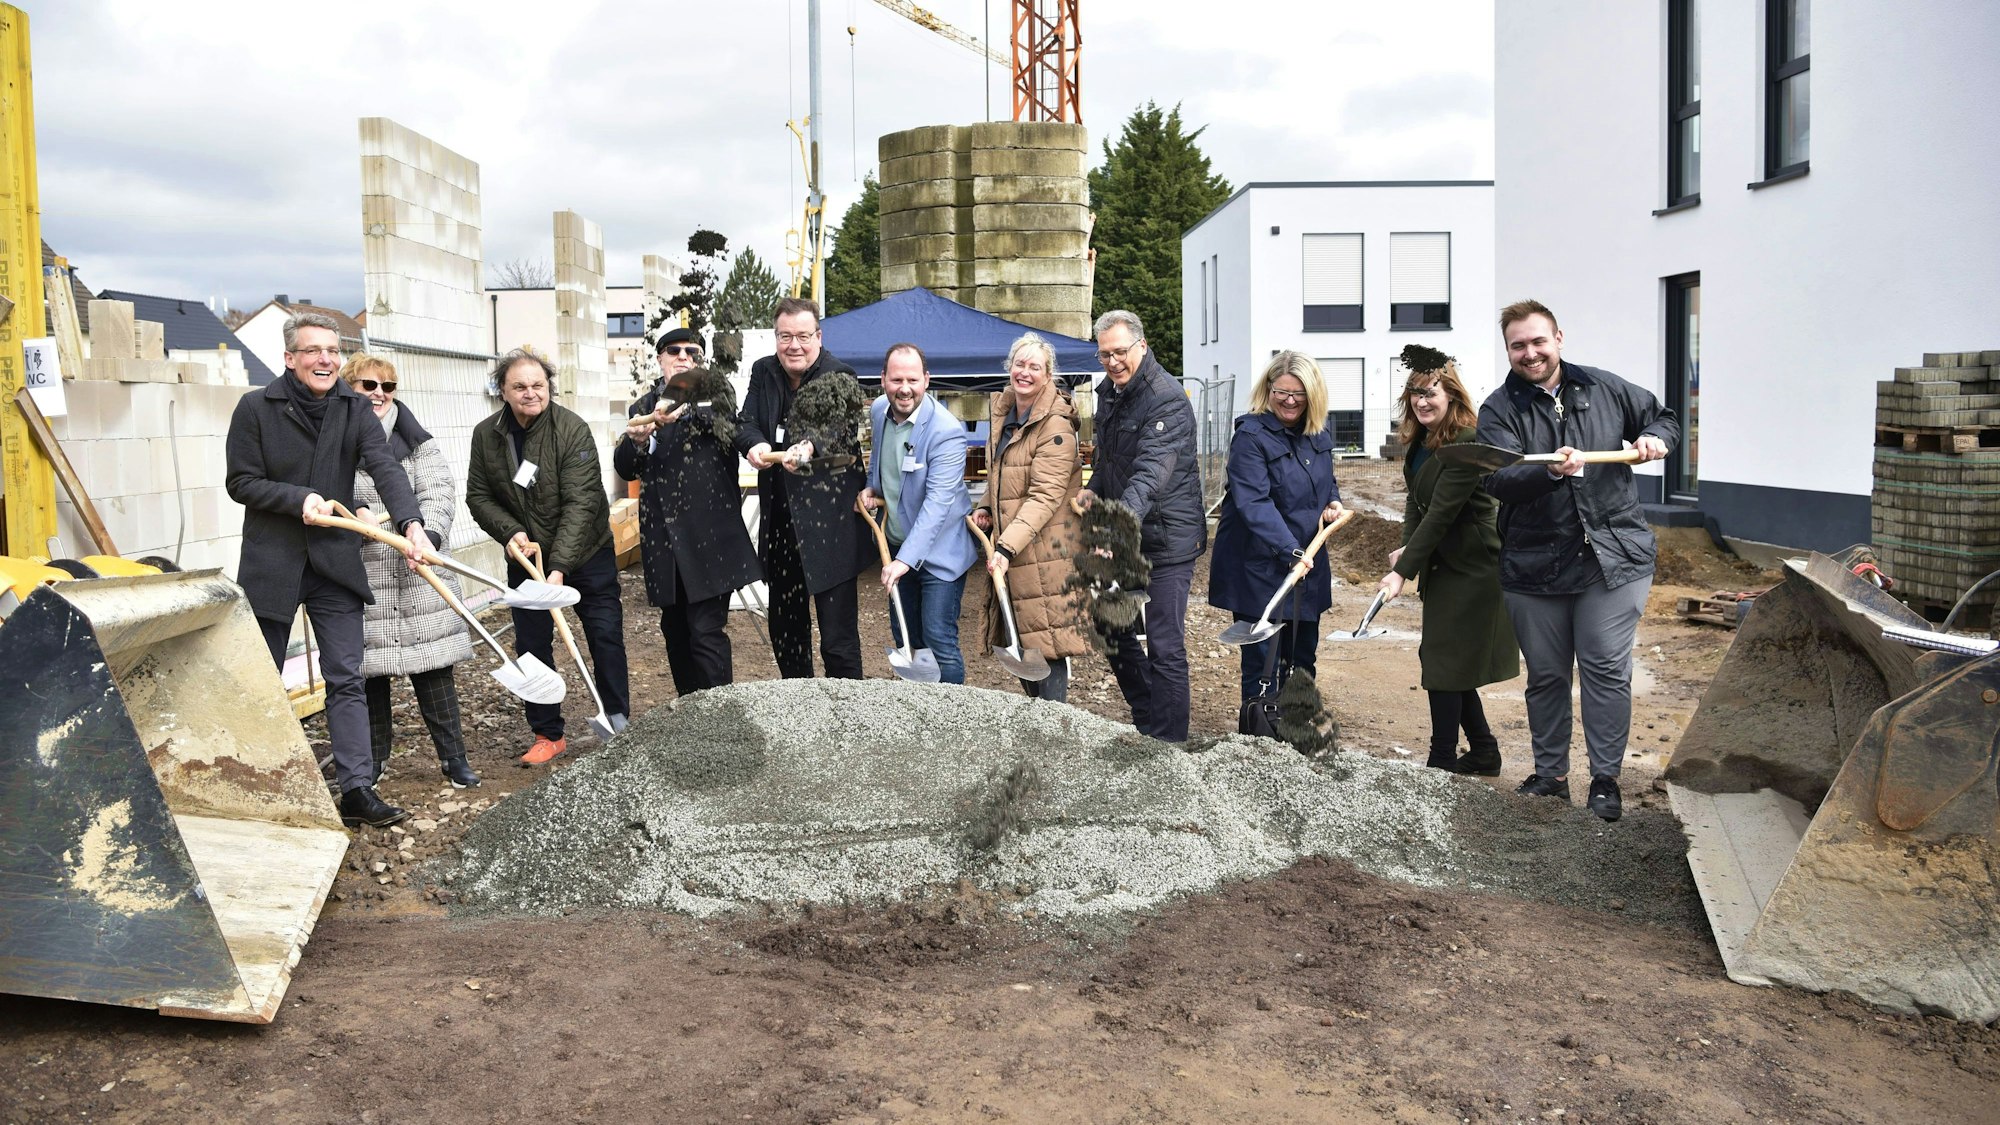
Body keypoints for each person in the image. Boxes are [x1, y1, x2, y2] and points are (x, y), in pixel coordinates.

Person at [1475, 299, 1678, 821]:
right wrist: (1552, 472)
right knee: (1545, 675)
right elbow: (1498, 478)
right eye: (1518, 345)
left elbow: (1663, 416)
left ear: (1559, 338)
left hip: (1613, 557)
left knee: (1606, 670)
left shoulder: (1606, 388)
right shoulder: (1500, 410)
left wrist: (1655, 438)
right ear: (1508, 350)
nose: (1530, 353)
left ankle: (1605, 780)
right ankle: (1551, 776)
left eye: (1538, 341)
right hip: (1533, 563)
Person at [225, 313, 427, 828]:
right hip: (274, 560)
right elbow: (241, 482)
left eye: (333, 351)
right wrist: (298, 499)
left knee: (346, 677)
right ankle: (257, 781)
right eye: (313, 350)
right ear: (290, 358)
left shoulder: (354, 406)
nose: (325, 360)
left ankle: (357, 789)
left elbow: (384, 465)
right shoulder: (255, 408)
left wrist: (411, 524)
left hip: (333, 561)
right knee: (262, 678)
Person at [465, 347, 631, 766]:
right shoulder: (487, 435)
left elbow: (582, 502)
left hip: (585, 553)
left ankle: (618, 721)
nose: (530, 393)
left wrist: (557, 569)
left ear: (548, 387)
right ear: (502, 390)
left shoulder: (570, 429)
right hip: (525, 557)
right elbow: (479, 495)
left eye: (538, 385)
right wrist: (511, 532)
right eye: (519, 386)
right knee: (532, 644)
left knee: (604, 634)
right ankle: (547, 733)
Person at [340, 353, 481, 790]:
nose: (379, 394)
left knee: (433, 670)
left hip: (420, 571)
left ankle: (454, 760)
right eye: (368, 385)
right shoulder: (338, 442)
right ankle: (375, 761)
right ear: (350, 389)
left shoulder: (418, 442)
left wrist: (428, 539)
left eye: (387, 386)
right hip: (366, 574)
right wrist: (353, 514)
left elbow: (440, 493)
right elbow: (329, 490)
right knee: (371, 675)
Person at [1376, 349, 1518, 776]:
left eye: (1430, 393)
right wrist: (1405, 550)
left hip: (1476, 568)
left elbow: (1442, 513)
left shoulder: (1465, 442)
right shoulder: (1421, 443)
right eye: (1415, 394)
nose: (1422, 402)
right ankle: (1484, 752)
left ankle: (1440, 761)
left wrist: (1403, 571)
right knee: (1449, 664)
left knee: (1443, 664)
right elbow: (1416, 508)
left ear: (1451, 394)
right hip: (1446, 567)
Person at [1079, 309, 1205, 742]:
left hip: (1166, 541)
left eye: (1120, 352)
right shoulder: (1111, 393)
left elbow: (1149, 476)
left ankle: (1170, 744)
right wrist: (1094, 487)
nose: (1113, 362)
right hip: (1126, 534)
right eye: (1104, 355)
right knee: (1111, 626)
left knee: (1165, 644)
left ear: (1142, 346)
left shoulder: (1167, 398)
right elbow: (1112, 459)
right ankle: (1148, 714)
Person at [613, 328, 760, 696]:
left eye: (692, 352)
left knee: (705, 630)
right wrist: (639, 438)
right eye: (673, 350)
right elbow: (626, 467)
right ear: (660, 358)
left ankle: (720, 712)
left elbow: (736, 430)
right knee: (674, 630)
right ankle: (690, 712)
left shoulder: (717, 396)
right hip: (663, 539)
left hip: (709, 537)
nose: (683, 357)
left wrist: (686, 411)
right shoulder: (643, 407)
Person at [734, 297, 870, 679]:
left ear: (819, 337)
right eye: (785, 336)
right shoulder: (764, 372)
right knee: (786, 629)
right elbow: (746, 422)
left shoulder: (839, 374)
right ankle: (798, 704)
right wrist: (755, 445)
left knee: (837, 637)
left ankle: (845, 711)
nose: (794, 345)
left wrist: (807, 446)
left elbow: (834, 427)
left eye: (803, 336)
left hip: (830, 527)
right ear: (776, 337)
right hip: (781, 524)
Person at [1208, 352, 1344, 705]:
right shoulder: (1251, 437)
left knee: (1302, 661)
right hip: (1261, 566)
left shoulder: (1318, 434)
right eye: (1281, 391)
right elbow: (1254, 503)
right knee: (1263, 663)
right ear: (1268, 390)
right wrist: (1291, 551)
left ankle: (1297, 737)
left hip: (1306, 564)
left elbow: (1326, 480)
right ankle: (1260, 740)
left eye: (1298, 394)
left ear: (1312, 395)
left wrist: (1333, 501)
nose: (1289, 400)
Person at [971, 333, 1091, 699]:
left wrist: (1004, 549)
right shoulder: (1003, 413)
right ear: (1010, 368)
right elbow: (1001, 472)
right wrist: (986, 507)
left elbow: (1045, 495)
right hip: (1015, 546)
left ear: (1048, 374)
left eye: (1034, 367)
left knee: (1047, 641)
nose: (1025, 372)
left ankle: (1055, 728)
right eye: (1019, 364)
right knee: (1021, 639)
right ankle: (1040, 722)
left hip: (1044, 553)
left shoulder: (1055, 425)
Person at [859, 343, 976, 683]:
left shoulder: (946, 431)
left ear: (927, 380)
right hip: (898, 543)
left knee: (937, 637)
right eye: (896, 380)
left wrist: (903, 561)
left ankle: (954, 716)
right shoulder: (880, 410)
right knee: (906, 636)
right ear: (883, 380)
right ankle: (920, 712)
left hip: (941, 552)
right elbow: (879, 460)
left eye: (913, 379)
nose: (904, 388)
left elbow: (938, 504)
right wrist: (871, 487)